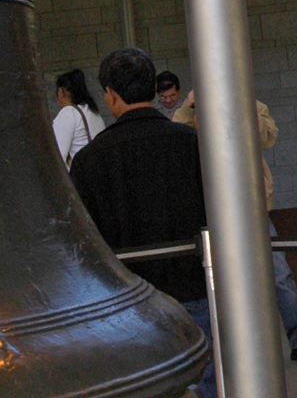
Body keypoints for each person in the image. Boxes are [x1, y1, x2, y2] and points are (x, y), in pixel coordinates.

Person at [67, 48, 214, 397]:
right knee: (205, 381)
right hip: (194, 288)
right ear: (151, 89)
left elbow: (85, 239)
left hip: (129, 303)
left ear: (110, 95)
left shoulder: (90, 160)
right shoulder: (192, 143)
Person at [173, 91, 297, 363]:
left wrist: (239, 106)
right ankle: (225, 347)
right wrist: (189, 107)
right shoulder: (190, 112)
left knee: (279, 273)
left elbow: (266, 137)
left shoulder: (248, 102)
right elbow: (177, 139)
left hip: (250, 205)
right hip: (211, 208)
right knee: (217, 280)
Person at [52, 69, 106, 168]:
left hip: (79, 178)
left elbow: (57, 156)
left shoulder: (68, 113)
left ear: (60, 91)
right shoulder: (92, 111)